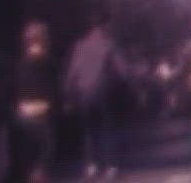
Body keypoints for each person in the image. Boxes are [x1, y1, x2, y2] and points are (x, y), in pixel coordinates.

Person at [64, 19, 121, 179]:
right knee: (105, 130)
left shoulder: (79, 46)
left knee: (88, 131)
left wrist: (68, 94)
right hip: (102, 92)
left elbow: (72, 72)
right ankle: (109, 166)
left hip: (83, 93)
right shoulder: (109, 45)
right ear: (102, 29)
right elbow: (121, 69)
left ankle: (91, 166)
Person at [11, 22, 57, 183]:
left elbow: (17, 84)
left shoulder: (22, 61)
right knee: (45, 151)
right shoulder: (42, 59)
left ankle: (32, 175)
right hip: (40, 109)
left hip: (22, 110)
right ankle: (38, 176)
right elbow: (50, 85)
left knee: (28, 152)